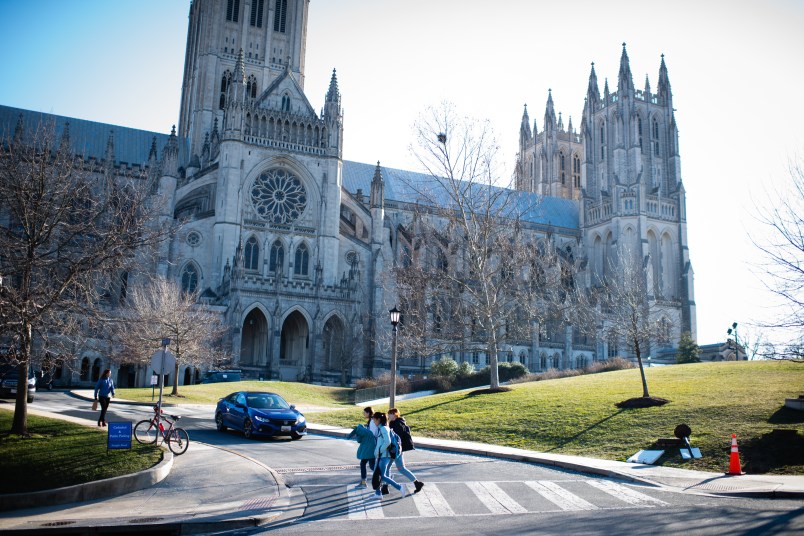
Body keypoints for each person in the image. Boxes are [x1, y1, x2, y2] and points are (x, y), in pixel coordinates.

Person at [388, 408, 424, 493]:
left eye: (390, 414)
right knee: (398, 468)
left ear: (395, 414)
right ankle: (417, 483)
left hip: (395, 450)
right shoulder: (395, 423)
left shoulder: (398, 424)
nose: (388, 415)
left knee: (393, 468)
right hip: (396, 450)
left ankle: (386, 486)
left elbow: (396, 439)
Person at [372, 411, 407, 498]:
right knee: (377, 474)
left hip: (383, 456)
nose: (373, 421)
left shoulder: (383, 428)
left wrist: (379, 450)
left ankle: (399, 487)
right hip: (382, 455)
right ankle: (378, 493)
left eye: (374, 420)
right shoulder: (383, 428)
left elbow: (387, 442)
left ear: (378, 419)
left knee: (382, 476)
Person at [346, 419, 376, 488]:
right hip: (372, 450)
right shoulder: (366, 431)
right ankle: (384, 476)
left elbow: (359, 440)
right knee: (370, 465)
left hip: (368, 451)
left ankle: (364, 482)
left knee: (366, 465)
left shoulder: (360, 432)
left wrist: (353, 436)